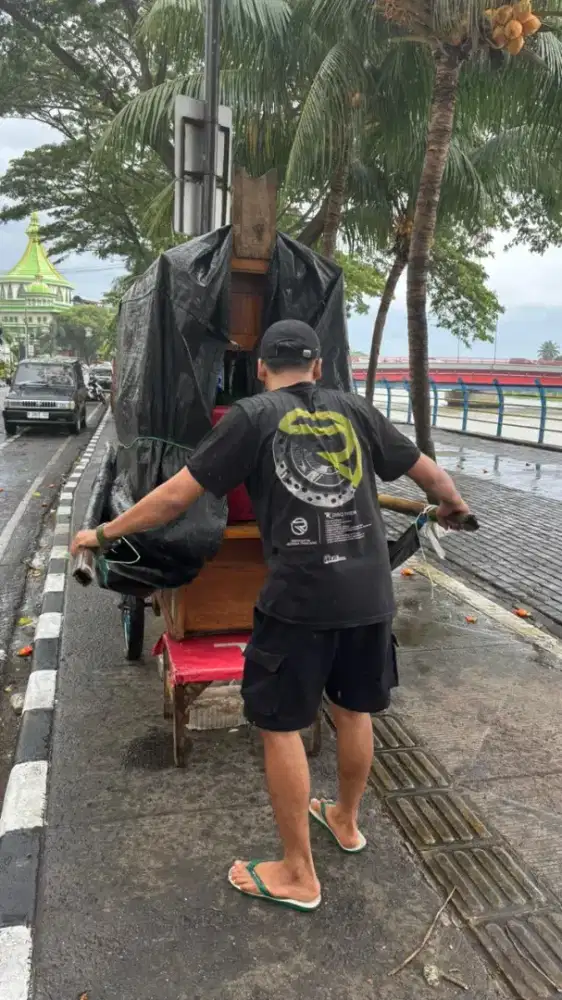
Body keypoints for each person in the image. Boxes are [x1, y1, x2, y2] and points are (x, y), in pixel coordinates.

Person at [71, 319, 469, 913]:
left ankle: (298, 873)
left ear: (261, 368)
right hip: (369, 593)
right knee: (354, 710)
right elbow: (430, 474)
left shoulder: (251, 417)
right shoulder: (356, 411)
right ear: (318, 367)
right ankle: (346, 821)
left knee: (280, 726)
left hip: (301, 599)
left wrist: (102, 533)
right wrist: (453, 506)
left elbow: (176, 497)